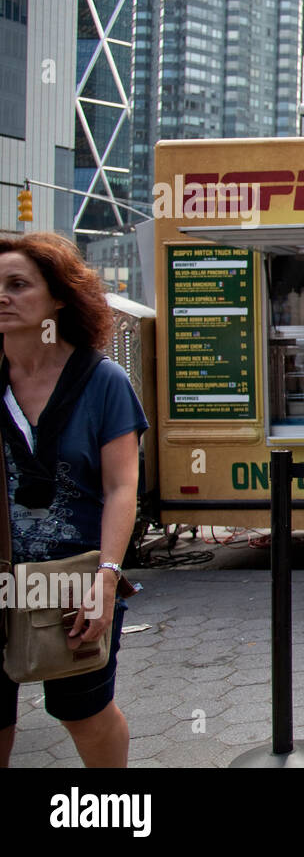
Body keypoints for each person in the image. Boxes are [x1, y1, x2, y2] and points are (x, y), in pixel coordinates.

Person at [0, 232, 148, 768]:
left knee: (83, 713)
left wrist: (107, 577)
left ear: (58, 296)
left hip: (72, 578)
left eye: (17, 285)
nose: (2, 296)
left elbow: (120, 486)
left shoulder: (101, 381)